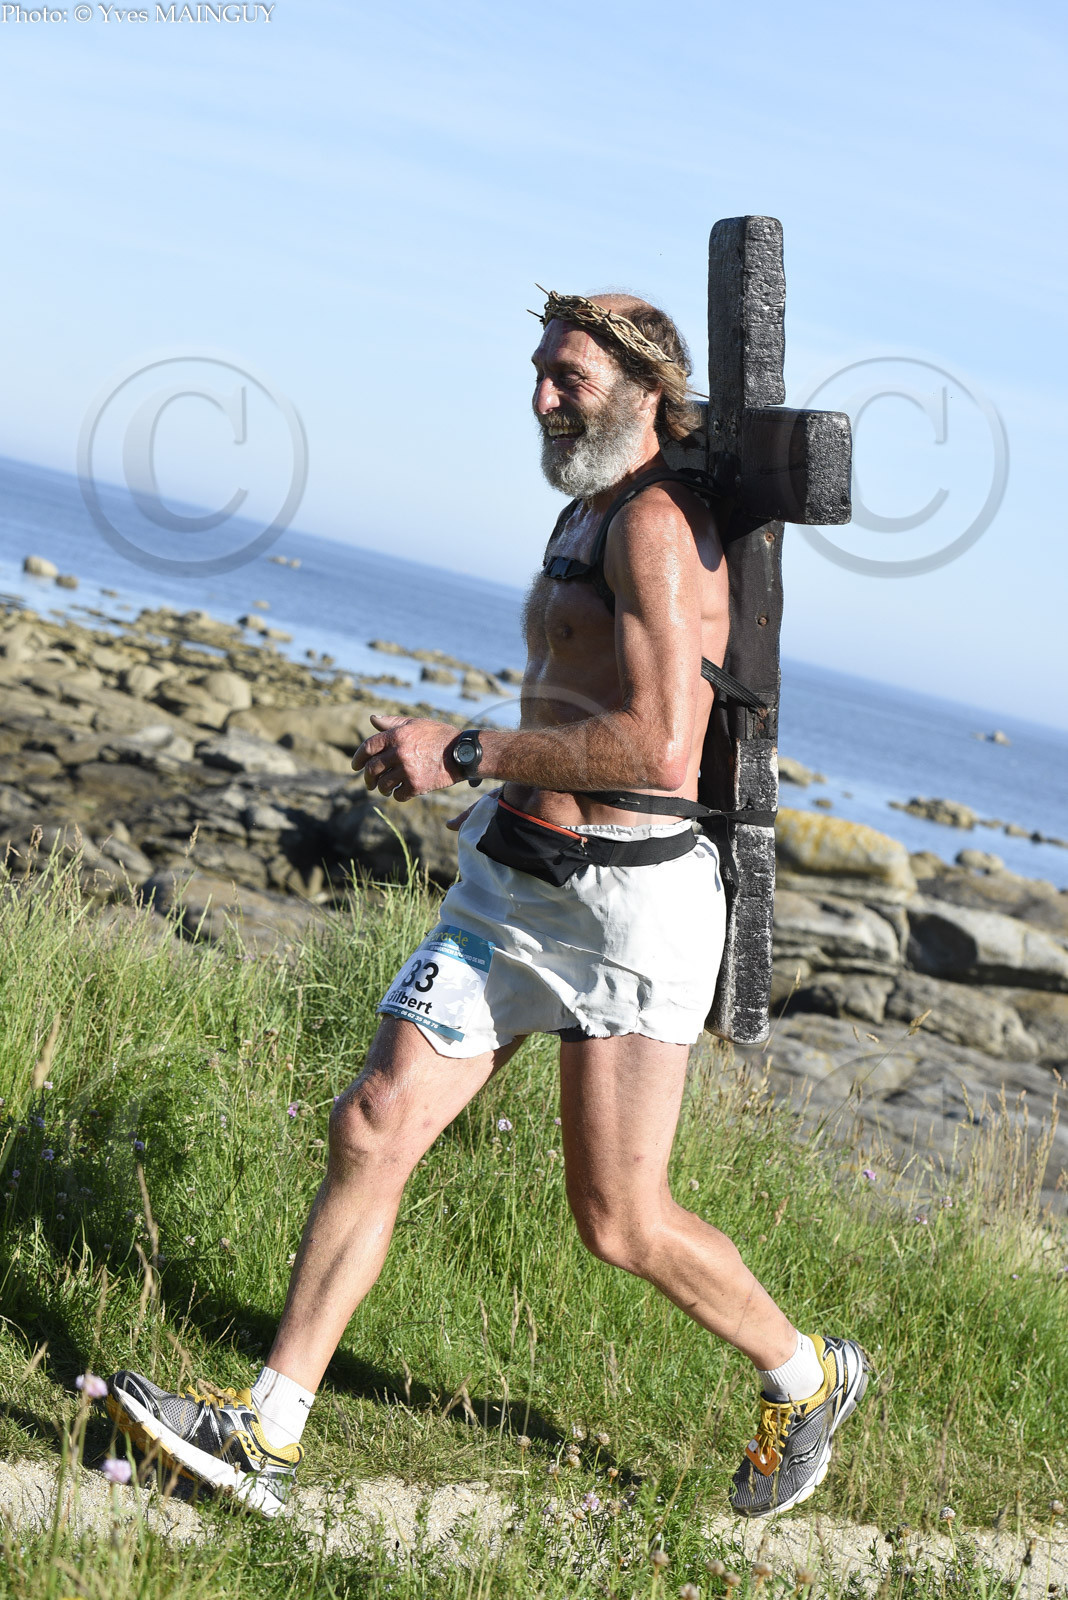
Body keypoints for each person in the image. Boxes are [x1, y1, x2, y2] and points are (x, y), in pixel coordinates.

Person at [106, 290, 867, 1521]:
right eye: (540, 371)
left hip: (627, 908)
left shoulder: (655, 528)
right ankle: (265, 1431)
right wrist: (483, 769)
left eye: (569, 377)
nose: (542, 397)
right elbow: (573, 691)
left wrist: (463, 750)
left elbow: (660, 747)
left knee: (619, 1220)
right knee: (374, 1122)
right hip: (513, 883)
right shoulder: (588, 509)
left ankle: (809, 1373)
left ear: (645, 391)